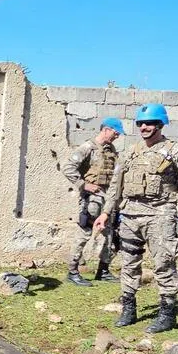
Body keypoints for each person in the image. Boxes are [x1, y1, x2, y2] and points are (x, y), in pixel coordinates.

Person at [93, 103, 178, 332]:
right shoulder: (131, 151)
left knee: (163, 263)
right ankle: (129, 309)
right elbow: (115, 186)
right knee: (129, 263)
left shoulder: (175, 150)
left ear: (161, 124)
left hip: (161, 214)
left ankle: (167, 314)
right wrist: (106, 212)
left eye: (150, 123)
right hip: (130, 214)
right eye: (141, 123)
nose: (144, 127)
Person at [62, 117, 125, 286]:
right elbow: (68, 167)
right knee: (84, 233)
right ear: (106, 129)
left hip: (108, 198)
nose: (116, 137)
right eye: (115, 133)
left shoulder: (111, 151)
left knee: (110, 234)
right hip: (92, 199)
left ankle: (103, 270)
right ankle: (72, 271)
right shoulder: (88, 147)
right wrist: (83, 185)